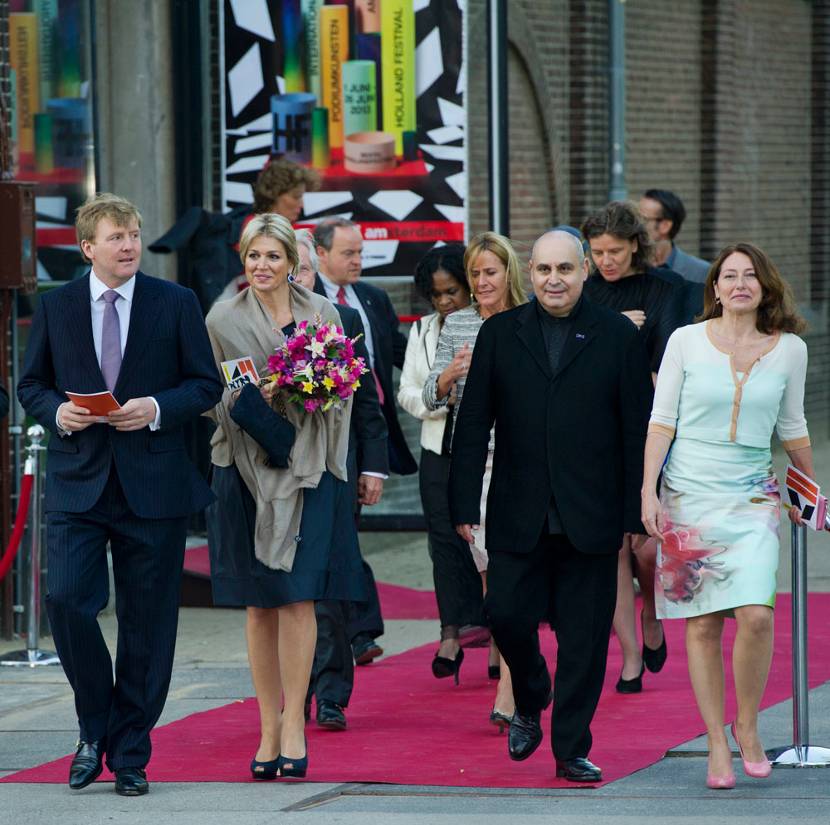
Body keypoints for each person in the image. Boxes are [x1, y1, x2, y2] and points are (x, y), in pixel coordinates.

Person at [17, 193, 223, 796]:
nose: (130, 245)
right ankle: (94, 725)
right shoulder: (55, 308)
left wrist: (157, 408)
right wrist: (59, 412)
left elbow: (205, 384)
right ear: (88, 248)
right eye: (116, 237)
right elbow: (31, 383)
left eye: (134, 234)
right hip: (78, 484)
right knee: (67, 602)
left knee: (148, 625)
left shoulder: (175, 301)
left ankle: (130, 751)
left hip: (152, 485)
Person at [449, 230, 653, 782]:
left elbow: (637, 428)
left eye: (564, 268)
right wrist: (464, 500)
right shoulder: (499, 333)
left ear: (584, 269)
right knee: (506, 614)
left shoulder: (616, 335)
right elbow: (473, 423)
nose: (554, 279)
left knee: (584, 639)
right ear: (530, 273)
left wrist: (638, 513)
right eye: (543, 270)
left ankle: (570, 749)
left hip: (593, 512)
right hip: (518, 508)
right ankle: (531, 694)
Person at [641, 242, 811, 790]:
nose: (740, 284)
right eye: (729, 276)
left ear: (765, 287)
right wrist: (648, 490)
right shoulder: (685, 342)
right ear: (713, 288)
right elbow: (661, 420)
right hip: (688, 496)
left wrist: (812, 492)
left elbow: (793, 427)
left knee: (757, 615)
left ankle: (748, 723)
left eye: (750, 276)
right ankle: (716, 739)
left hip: (753, 496)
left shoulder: (789, 350)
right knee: (705, 623)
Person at [204, 214, 366, 780]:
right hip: (246, 469)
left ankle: (294, 722)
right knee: (259, 603)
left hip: (312, 469)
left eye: (273, 256)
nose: (263, 266)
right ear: (243, 260)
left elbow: (348, 386)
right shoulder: (222, 318)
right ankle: (268, 728)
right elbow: (213, 394)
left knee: (300, 599)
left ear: (293, 263)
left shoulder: (325, 314)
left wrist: (317, 388)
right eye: (253, 256)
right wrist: (258, 395)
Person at [423, 232, 526, 729]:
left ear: (509, 273)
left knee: (511, 579)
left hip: (523, 464)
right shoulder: (457, 323)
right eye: (475, 274)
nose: (482, 282)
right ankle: (515, 674)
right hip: (474, 464)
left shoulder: (529, 318)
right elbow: (430, 394)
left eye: (490, 272)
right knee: (494, 582)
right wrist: (448, 377)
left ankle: (511, 686)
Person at [581, 201, 683, 694]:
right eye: (597, 251)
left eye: (615, 250)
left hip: (650, 431)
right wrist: (622, 329)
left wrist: (609, 337)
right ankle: (629, 659)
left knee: (646, 544)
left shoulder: (665, 292)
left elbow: (665, 374)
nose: (606, 261)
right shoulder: (583, 293)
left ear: (635, 246)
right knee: (613, 548)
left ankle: (652, 610)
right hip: (595, 430)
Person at [293, 230, 390, 731]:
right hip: (272, 478)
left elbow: (367, 405)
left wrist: (372, 466)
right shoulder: (248, 324)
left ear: (316, 274)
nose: (296, 278)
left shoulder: (343, 321)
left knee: (329, 585)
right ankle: (292, 690)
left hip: (335, 472)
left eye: (304, 269)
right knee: (284, 592)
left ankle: (331, 693)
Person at [312, 217, 417, 665]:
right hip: (327, 435)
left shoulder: (370, 299)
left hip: (369, 426)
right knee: (342, 543)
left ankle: (357, 631)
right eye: (348, 253)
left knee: (347, 537)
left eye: (360, 253)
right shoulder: (306, 301)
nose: (358, 261)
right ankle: (359, 631)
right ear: (320, 254)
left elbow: (396, 352)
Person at [398, 244, 486, 678]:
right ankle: (450, 634)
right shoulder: (424, 331)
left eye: (452, 291)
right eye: (435, 295)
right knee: (443, 543)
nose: (445, 301)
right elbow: (408, 393)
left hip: (486, 451)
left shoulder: (489, 324)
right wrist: (444, 388)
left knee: (487, 542)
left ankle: (494, 638)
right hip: (439, 450)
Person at [214, 158, 321, 302]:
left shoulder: (298, 230)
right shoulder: (251, 228)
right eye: (296, 197)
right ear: (274, 194)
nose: (301, 204)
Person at [639, 189, 710, 283]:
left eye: (642, 219)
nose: (636, 224)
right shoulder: (628, 267)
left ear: (665, 226)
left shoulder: (700, 271)